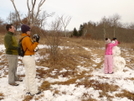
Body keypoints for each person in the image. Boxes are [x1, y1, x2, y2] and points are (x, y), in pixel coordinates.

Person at [20, 24, 41, 96]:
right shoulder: (26, 38)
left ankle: (29, 89)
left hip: (26, 57)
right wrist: (36, 41)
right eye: (29, 30)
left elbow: (29, 48)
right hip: (29, 58)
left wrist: (33, 44)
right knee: (31, 74)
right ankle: (33, 91)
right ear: (26, 31)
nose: (30, 32)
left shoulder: (22, 37)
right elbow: (31, 48)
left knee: (28, 74)